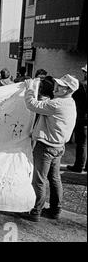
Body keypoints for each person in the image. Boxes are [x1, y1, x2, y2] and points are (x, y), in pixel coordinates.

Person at [23, 74, 79, 222]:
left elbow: (31, 104)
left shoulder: (56, 104)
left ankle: (35, 211)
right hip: (59, 147)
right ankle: (55, 210)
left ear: (67, 90)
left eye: (60, 85)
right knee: (54, 178)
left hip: (46, 147)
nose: (56, 86)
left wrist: (29, 89)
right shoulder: (69, 102)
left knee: (39, 180)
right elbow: (51, 108)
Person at [67, 65, 87, 173]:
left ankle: (79, 166)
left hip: (82, 117)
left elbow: (74, 99)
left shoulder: (82, 85)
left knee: (81, 144)